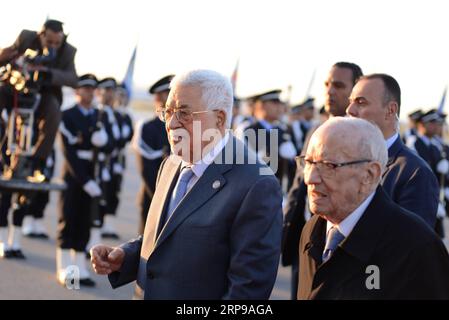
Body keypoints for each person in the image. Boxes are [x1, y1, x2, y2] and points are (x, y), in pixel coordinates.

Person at [91, 69, 282, 299]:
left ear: (219, 119)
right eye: (168, 111)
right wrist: (126, 256)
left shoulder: (256, 184)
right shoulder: (171, 164)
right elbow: (165, 235)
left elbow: (247, 290)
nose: (171, 123)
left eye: (183, 113)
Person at [297, 117, 449, 299]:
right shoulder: (312, 230)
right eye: (308, 163)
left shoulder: (416, 248)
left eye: (329, 165)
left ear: (370, 174)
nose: (310, 178)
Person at [281, 62, 363, 299]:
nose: (329, 91)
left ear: (356, 90)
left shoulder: (362, 136)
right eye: (327, 84)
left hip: (342, 245)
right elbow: (299, 186)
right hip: (308, 240)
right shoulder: (316, 130)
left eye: (338, 85)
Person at [346, 74, 439, 227]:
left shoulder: (414, 173)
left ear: (390, 110)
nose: (350, 110)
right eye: (350, 102)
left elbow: (412, 244)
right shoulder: (344, 160)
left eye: (361, 102)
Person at [0, 19, 77, 176]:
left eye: (57, 42)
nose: (53, 46)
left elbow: (73, 79)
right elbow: (8, 56)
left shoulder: (68, 51)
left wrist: (47, 73)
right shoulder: (26, 37)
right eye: (49, 41)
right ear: (40, 35)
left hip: (43, 93)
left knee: (54, 111)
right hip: (15, 88)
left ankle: (37, 162)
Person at [56, 74, 112, 287]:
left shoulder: (100, 115)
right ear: (77, 91)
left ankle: (79, 270)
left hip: (93, 172)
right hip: (74, 175)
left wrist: (104, 141)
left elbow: (110, 146)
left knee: (84, 223)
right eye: (85, 88)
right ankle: (66, 271)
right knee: (69, 220)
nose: (89, 92)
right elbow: (69, 152)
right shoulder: (67, 115)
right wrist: (84, 180)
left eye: (92, 89)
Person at [132, 75, 172, 234]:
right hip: (153, 196)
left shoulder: (183, 127)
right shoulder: (147, 127)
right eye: (167, 93)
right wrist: (162, 200)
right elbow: (146, 170)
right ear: (157, 97)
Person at [406, 109, 448, 237]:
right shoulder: (414, 143)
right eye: (431, 123)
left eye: (437, 123)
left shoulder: (435, 146)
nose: (436, 126)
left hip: (434, 198)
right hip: (420, 199)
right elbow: (416, 174)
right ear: (421, 125)